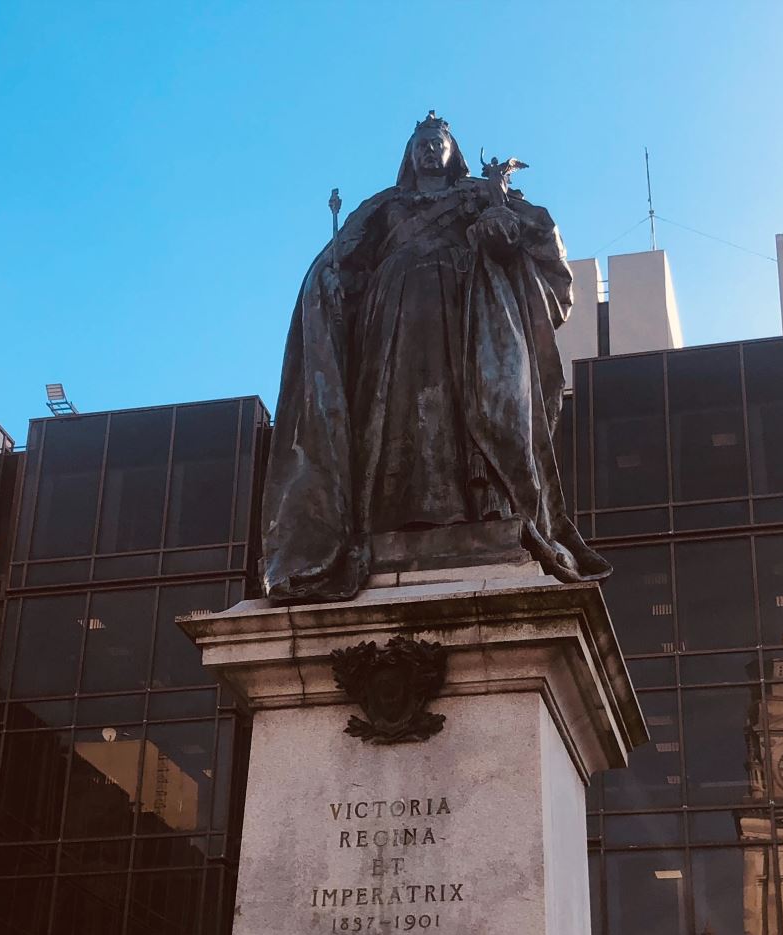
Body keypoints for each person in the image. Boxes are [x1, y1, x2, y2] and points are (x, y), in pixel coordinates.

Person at [261, 112, 610, 601]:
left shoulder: (475, 194)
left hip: (463, 311)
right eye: (421, 143)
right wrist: (333, 281)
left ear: (452, 151)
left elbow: (527, 237)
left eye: (437, 142)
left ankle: (473, 511)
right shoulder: (384, 206)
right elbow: (345, 261)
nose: (428, 149)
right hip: (391, 319)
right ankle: (383, 517)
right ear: (409, 154)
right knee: (392, 412)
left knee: (461, 408)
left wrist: (498, 222)